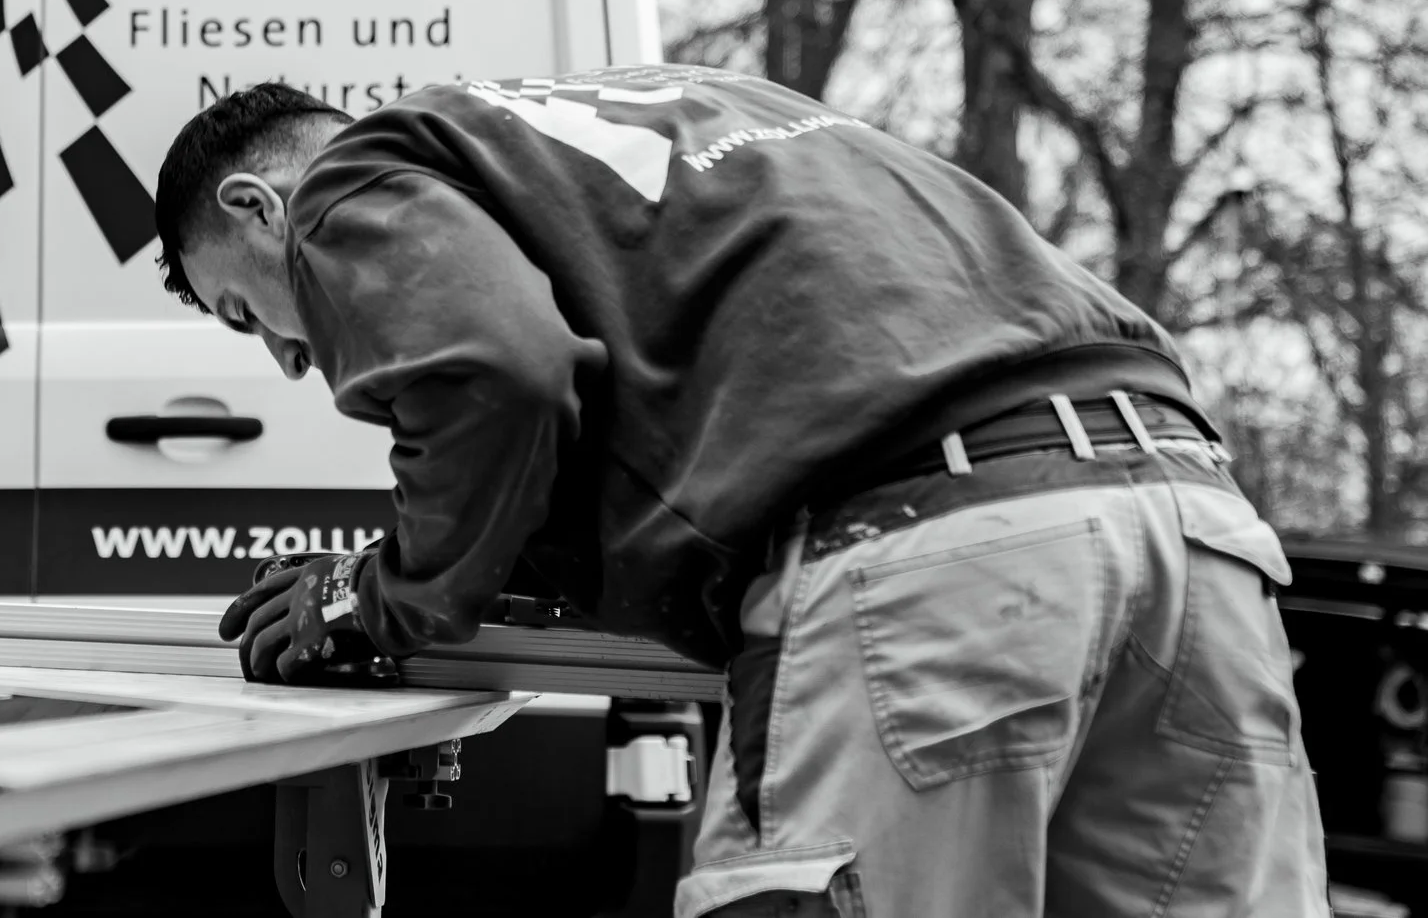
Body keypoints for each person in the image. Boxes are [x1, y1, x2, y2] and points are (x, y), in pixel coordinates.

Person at [155, 70, 1326, 916]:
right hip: (1189, 522)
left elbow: (497, 375)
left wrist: (382, 600)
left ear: (262, 207)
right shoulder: (706, 108)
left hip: (941, 555)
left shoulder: (353, 177)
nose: (290, 361)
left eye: (248, 312)